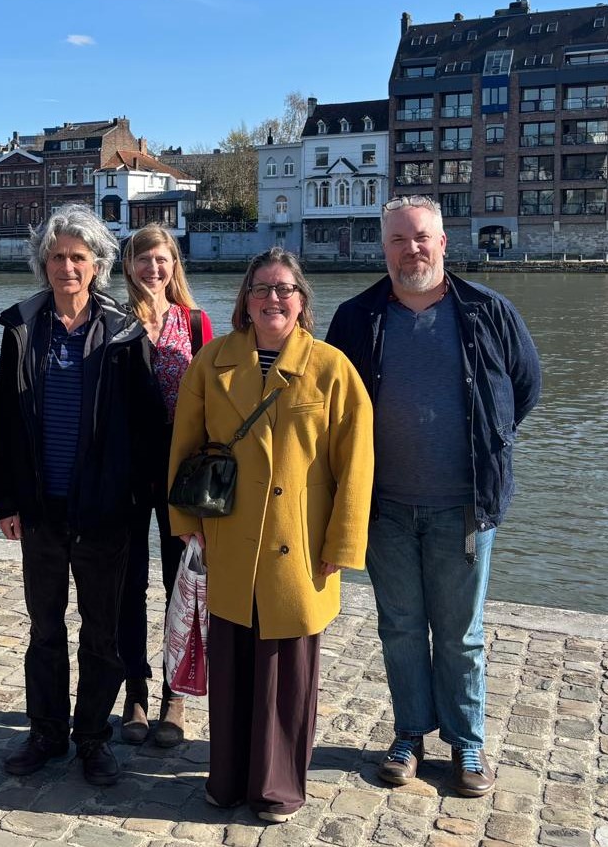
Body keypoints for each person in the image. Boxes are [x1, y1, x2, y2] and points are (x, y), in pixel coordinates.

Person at [326, 194, 540, 798]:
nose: (410, 250)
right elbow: (332, 403)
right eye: (398, 240)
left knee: (460, 632)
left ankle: (467, 740)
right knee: (399, 626)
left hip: (463, 505)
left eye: (421, 237)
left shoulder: (488, 312)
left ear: (443, 243)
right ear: (383, 249)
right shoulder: (356, 317)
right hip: (383, 506)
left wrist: (485, 445)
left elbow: (525, 388)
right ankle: (410, 733)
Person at [169, 248, 373, 823]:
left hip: (298, 542)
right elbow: (184, 446)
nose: (272, 299)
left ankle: (278, 787)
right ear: (246, 299)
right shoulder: (211, 362)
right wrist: (187, 524)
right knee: (232, 664)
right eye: (261, 288)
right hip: (227, 534)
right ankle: (228, 777)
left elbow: (356, 463)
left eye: (284, 289)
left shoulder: (332, 367)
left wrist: (342, 544)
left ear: (302, 301)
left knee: (287, 670)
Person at [0, 203, 166, 787]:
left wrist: (133, 499)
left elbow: (148, 426)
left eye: (78, 257)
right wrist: (8, 500)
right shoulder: (21, 328)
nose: (66, 267)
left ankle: (93, 737)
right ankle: (46, 733)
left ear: (97, 265)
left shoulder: (123, 332)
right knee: (44, 629)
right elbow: (5, 420)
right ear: (42, 263)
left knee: (101, 634)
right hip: (41, 508)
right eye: (56, 256)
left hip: (104, 512)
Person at [116, 223, 211, 747]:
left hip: (183, 471)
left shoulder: (194, 322)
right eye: (144, 258)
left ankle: (176, 694)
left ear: (175, 265)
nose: (154, 268)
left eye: (163, 259)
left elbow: (216, 400)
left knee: (184, 583)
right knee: (128, 582)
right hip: (128, 467)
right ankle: (135, 689)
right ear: (129, 266)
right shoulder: (113, 319)